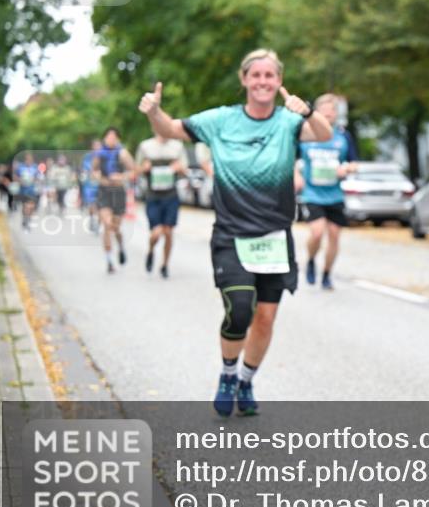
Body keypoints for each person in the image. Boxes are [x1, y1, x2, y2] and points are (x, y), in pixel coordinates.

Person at [137, 48, 332, 417]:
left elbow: (322, 133)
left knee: (266, 318)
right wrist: (154, 112)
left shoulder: (288, 122)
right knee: (241, 309)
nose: (262, 81)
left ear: (278, 81)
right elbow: (171, 129)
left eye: (269, 76)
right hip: (232, 234)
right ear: (244, 79)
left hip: (275, 237)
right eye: (255, 75)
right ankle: (228, 373)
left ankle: (246, 378)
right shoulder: (220, 121)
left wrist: (305, 109)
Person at [295, 93, 358, 290]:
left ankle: (327, 273)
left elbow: (355, 163)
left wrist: (346, 169)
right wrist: (296, 175)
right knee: (316, 233)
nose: (329, 113)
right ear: (317, 111)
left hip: (334, 194)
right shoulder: (305, 133)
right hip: (312, 193)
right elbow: (290, 158)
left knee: (334, 235)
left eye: (332, 110)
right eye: (325, 110)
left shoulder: (343, 136)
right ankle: (312, 259)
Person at [135, 129, 189, 278]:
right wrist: (144, 168)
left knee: (168, 232)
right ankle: (151, 251)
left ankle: (165, 264)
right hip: (153, 195)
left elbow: (185, 170)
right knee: (156, 233)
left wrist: (179, 168)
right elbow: (136, 170)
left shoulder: (177, 146)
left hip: (171, 195)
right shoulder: (146, 146)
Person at [93, 128, 135, 273]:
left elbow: (133, 170)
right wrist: (99, 177)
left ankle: (121, 246)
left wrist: (121, 177)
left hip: (118, 192)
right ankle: (109, 261)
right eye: (108, 137)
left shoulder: (123, 153)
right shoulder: (99, 154)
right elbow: (93, 170)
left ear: (117, 139)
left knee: (115, 228)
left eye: (113, 137)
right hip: (104, 191)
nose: (110, 139)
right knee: (106, 224)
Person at [14, 153, 41, 231]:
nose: (28, 161)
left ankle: (28, 218)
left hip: (32, 190)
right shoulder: (20, 167)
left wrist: (35, 180)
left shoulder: (35, 167)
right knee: (25, 206)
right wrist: (20, 181)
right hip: (23, 190)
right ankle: (25, 219)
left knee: (31, 206)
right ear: (25, 160)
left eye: (30, 159)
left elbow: (38, 177)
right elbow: (15, 176)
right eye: (27, 159)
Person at [81, 140, 102, 233]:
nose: (97, 148)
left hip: (101, 185)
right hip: (89, 185)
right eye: (95, 146)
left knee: (101, 207)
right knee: (92, 205)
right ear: (92, 147)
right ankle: (92, 218)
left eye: (99, 146)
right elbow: (85, 170)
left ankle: (98, 223)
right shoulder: (87, 157)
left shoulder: (104, 157)